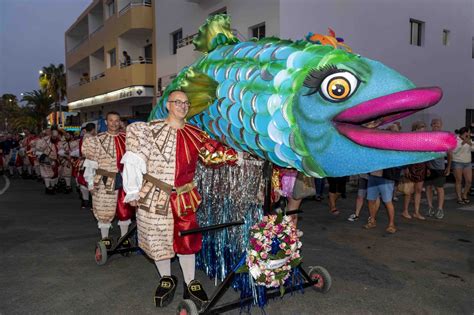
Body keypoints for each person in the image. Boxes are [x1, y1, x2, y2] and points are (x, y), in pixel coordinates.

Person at [122, 90, 237, 309]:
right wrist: (133, 191)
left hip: (184, 196)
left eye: (186, 103)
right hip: (155, 195)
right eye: (177, 102)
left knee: (188, 240)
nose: (182, 106)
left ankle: (190, 281)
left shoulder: (196, 133)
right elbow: (134, 160)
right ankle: (166, 277)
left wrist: (241, 156)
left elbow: (215, 154)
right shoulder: (149, 130)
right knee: (158, 239)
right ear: (167, 105)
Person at [82, 112, 135, 250]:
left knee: (125, 210)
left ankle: (124, 238)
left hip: (125, 180)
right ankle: (105, 239)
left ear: (120, 122)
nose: (114, 123)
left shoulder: (128, 139)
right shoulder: (97, 140)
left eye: (117, 120)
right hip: (104, 181)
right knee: (104, 210)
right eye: (111, 120)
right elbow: (90, 163)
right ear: (106, 122)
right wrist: (90, 183)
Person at [425, 118, 452, 219]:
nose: (436, 126)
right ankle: (430, 207)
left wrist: (448, 167)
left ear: (441, 126)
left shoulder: (444, 138)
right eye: (434, 124)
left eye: (438, 125)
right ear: (431, 125)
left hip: (440, 168)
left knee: (439, 188)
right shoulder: (427, 137)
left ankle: (440, 209)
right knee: (428, 188)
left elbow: (449, 154)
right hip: (428, 167)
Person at [401, 121, 428, 220]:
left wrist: (427, 167)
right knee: (409, 191)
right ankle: (405, 211)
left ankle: (416, 212)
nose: (423, 129)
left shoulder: (425, 140)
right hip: (411, 166)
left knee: (418, 190)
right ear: (416, 129)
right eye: (421, 127)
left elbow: (426, 155)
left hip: (421, 166)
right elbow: (406, 154)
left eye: (424, 127)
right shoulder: (410, 139)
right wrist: (406, 167)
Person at [364, 166, 401, 234]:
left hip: (386, 178)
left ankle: (391, 224)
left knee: (387, 202)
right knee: (370, 200)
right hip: (372, 176)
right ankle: (372, 221)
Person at [75, 123, 96, 208]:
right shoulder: (91, 138)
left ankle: (85, 201)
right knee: (91, 180)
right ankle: (91, 202)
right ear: (93, 129)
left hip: (82, 162)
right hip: (90, 161)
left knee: (82, 180)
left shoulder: (81, 138)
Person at [452, 126, 474, 204]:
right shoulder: (456, 139)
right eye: (468, 132)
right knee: (459, 180)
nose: (470, 134)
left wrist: (470, 143)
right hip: (457, 162)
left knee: (469, 181)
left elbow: (473, 149)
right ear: (465, 132)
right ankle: (459, 198)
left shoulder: (469, 139)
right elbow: (453, 151)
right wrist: (462, 143)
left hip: (467, 162)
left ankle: (464, 195)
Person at [35, 128, 61, 194]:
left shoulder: (57, 140)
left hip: (55, 158)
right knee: (47, 174)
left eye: (50, 131)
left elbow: (60, 148)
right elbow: (38, 149)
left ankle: (51, 187)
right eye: (47, 131)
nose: (49, 132)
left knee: (53, 173)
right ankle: (48, 187)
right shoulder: (42, 140)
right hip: (46, 158)